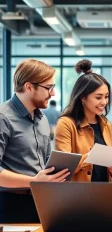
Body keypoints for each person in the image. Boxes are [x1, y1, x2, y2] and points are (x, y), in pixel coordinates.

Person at [0, 59, 70, 223]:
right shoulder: (3, 118)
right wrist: (34, 181)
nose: (53, 93)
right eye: (49, 87)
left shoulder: (42, 119)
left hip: (42, 201)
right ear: (29, 87)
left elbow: (45, 161)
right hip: (11, 204)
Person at [55, 60, 112, 182]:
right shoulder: (66, 124)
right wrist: (92, 156)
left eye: (106, 96)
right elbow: (63, 169)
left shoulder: (106, 124)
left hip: (104, 193)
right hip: (78, 196)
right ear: (83, 97)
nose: (104, 102)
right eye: (98, 97)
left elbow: (107, 168)